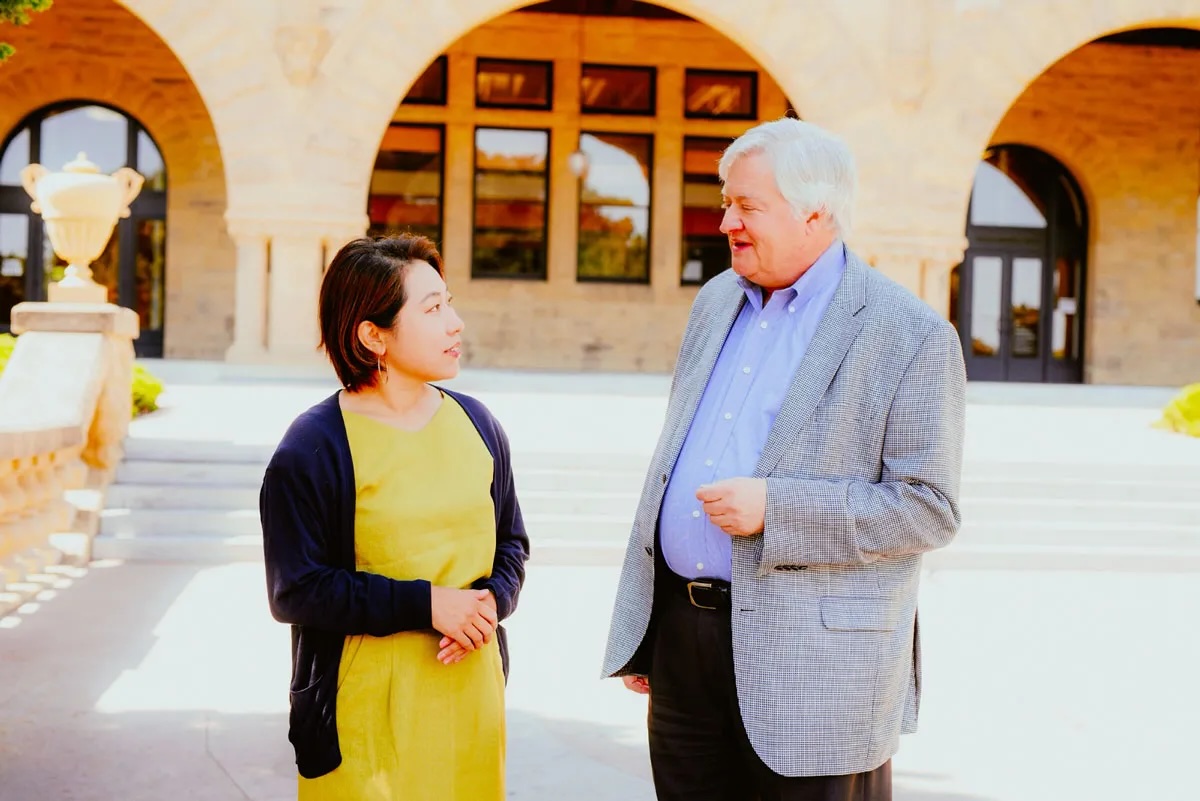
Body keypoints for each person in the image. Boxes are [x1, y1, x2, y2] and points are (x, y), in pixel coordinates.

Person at [602, 118, 967, 801]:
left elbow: (929, 508)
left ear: (815, 212)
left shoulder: (911, 334)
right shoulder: (716, 301)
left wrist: (777, 508)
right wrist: (651, 624)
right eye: (726, 202)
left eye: (747, 206)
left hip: (816, 673)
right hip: (684, 643)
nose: (726, 221)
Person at [260, 234, 529, 800]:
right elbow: (296, 590)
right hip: (363, 720)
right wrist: (429, 604)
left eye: (449, 302)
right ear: (372, 334)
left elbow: (512, 545)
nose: (455, 323)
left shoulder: (477, 424)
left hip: (471, 705)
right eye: (433, 309)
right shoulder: (314, 446)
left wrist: (487, 606)